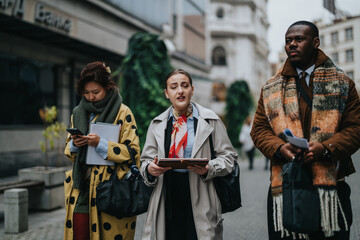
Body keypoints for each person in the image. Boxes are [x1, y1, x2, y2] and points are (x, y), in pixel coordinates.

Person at [251, 21, 360, 240]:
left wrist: (326, 148)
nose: (292, 44)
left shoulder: (343, 83)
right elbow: (259, 129)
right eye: (288, 40)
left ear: (315, 42)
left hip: (331, 188)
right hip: (287, 186)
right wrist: (280, 148)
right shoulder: (271, 86)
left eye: (298, 39)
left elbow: (355, 129)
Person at [140, 69, 238, 240]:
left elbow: (229, 157)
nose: (180, 91)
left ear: (192, 90)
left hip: (201, 193)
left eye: (185, 86)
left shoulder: (210, 120)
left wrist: (209, 168)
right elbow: (145, 161)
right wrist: (150, 169)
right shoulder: (157, 124)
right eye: (174, 87)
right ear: (166, 93)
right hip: (167, 195)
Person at [63, 62, 140, 240]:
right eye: (86, 93)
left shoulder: (123, 112)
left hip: (111, 188)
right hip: (80, 186)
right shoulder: (78, 112)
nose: (90, 97)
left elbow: (133, 152)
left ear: (107, 87)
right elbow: (68, 151)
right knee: (79, 235)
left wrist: (101, 144)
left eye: (96, 92)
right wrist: (76, 143)